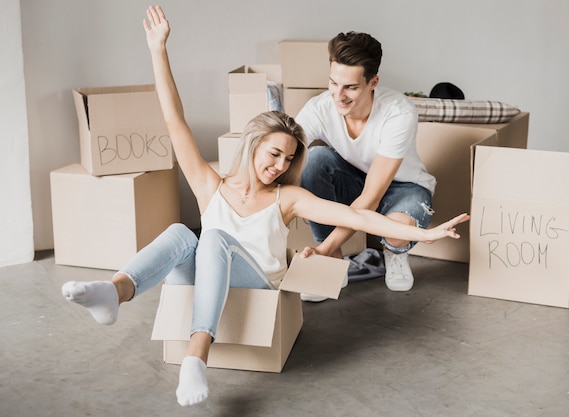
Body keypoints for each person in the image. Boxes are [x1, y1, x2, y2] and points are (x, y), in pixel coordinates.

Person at [61, 5, 469, 408]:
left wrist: (424, 233)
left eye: (290, 160)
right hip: (208, 277)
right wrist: (157, 50)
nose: (280, 166)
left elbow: (359, 213)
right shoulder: (211, 185)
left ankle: (195, 357)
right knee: (181, 234)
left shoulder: (287, 197)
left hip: (258, 283)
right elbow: (173, 120)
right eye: (274, 154)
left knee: (214, 237)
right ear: (254, 145)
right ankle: (115, 292)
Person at [295, 31, 436, 298]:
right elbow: (285, 148)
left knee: (398, 230)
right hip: (353, 180)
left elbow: (371, 197)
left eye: (350, 87)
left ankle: (393, 253)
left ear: (373, 82)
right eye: (333, 83)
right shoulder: (319, 109)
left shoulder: (398, 113)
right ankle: (333, 261)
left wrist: (319, 251)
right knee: (314, 160)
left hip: (402, 187)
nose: (339, 95)